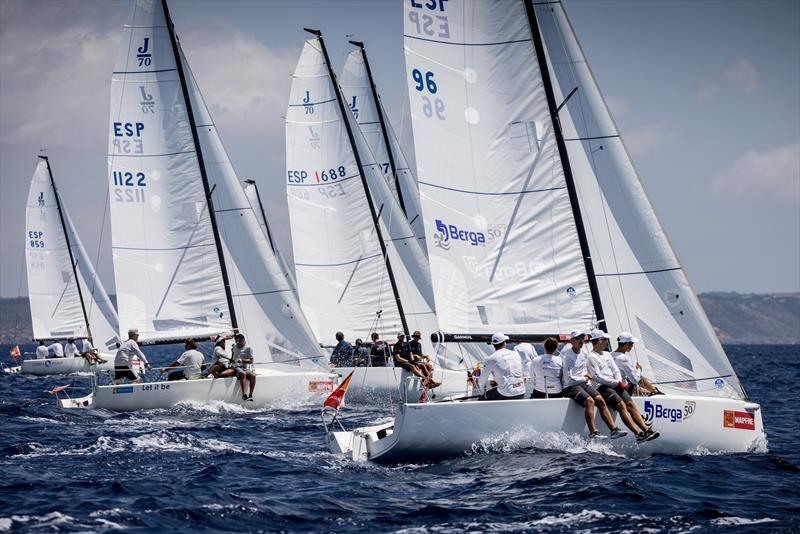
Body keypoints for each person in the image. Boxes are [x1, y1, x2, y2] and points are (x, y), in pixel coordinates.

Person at [587, 329, 658, 442]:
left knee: (630, 404)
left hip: (614, 384)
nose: (607, 341)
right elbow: (597, 377)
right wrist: (616, 382)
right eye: (605, 339)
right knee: (621, 405)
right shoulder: (591, 357)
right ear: (600, 340)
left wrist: (618, 381)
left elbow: (615, 371)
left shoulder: (607, 354)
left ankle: (646, 430)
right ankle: (638, 434)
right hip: (602, 386)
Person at [561, 330, 625, 439]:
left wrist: (588, 381)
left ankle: (613, 430)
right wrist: (585, 378)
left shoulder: (584, 354)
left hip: (584, 383)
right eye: (578, 338)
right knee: (590, 401)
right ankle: (593, 432)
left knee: (600, 400)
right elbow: (569, 379)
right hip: (570, 386)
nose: (581, 340)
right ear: (571, 341)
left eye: (582, 338)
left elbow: (587, 372)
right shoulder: (567, 357)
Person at [612, 332, 663, 396]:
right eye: (632, 343)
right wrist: (639, 369)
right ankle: (655, 391)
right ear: (627, 344)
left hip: (615, 387)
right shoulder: (623, 358)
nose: (632, 346)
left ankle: (652, 391)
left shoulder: (610, 355)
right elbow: (635, 380)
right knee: (640, 377)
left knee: (635, 382)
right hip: (622, 389)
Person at [480, 333, 526, 401]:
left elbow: (482, 380)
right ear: (504, 343)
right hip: (521, 391)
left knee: (482, 398)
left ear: (493, 345)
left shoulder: (491, 358)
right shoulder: (516, 354)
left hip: (506, 394)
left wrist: (481, 389)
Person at [232, 333, 256, 401]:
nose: (238, 343)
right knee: (243, 374)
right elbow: (233, 354)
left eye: (239, 341)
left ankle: (250, 395)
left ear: (243, 340)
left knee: (253, 376)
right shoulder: (234, 346)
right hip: (236, 367)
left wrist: (242, 360)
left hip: (245, 367)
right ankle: (244, 395)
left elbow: (251, 361)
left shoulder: (248, 348)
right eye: (237, 341)